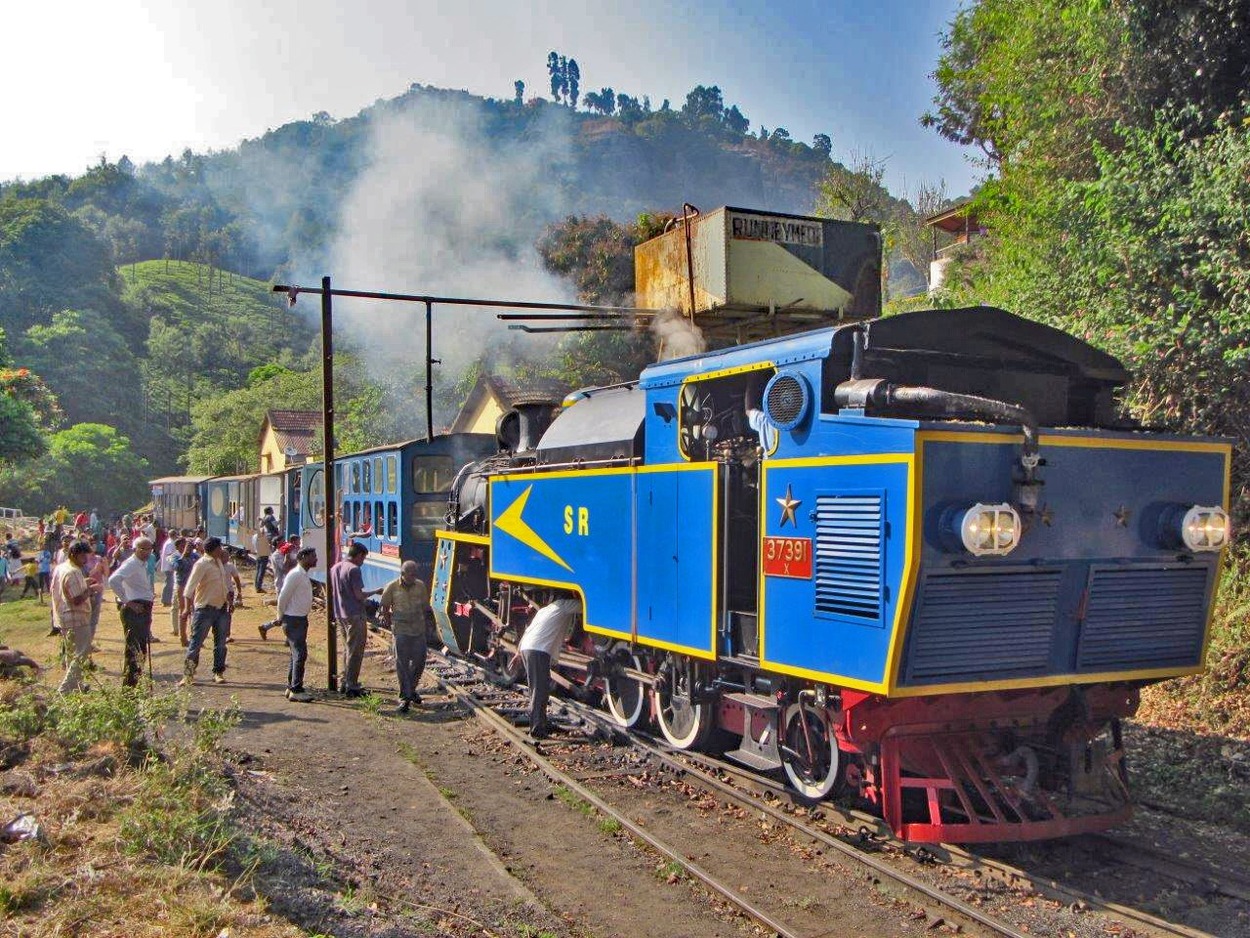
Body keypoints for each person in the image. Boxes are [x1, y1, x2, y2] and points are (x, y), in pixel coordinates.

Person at [515, 597, 580, 738]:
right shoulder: (563, 605)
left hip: (528, 648)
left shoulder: (544, 610)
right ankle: (537, 729)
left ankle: (541, 722)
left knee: (538, 688)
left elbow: (528, 630)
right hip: (537, 650)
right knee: (539, 690)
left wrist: (518, 651)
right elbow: (582, 605)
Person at [379, 560, 432, 713]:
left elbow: (425, 607)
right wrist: (390, 625)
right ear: (403, 574)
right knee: (402, 664)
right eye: (411, 574)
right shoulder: (392, 587)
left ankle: (411, 689)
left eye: (416, 574)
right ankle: (405, 697)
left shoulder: (420, 586)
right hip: (401, 630)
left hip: (418, 629)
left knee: (419, 661)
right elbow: (384, 607)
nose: (414, 577)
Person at [330, 541, 381, 696]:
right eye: (363, 559)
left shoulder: (335, 568)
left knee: (347, 648)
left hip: (340, 614)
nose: (363, 562)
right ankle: (352, 685)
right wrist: (375, 591)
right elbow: (359, 595)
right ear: (358, 555)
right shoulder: (354, 570)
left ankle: (344, 681)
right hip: (355, 614)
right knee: (356, 651)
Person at [181, 536, 231, 687]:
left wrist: (229, 601)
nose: (221, 550)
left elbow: (223, 585)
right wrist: (186, 608)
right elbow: (189, 589)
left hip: (221, 608)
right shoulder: (201, 564)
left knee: (221, 644)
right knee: (196, 644)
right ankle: (188, 675)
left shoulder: (218, 563)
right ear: (214, 549)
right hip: (205, 610)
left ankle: (218, 672)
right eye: (219, 548)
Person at [108, 537, 156, 687]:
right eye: (143, 549)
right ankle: (129, 690)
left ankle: (135, 686)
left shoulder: (142, 564)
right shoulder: (132, 563)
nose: (147, 552)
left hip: (143, 608)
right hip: (135, 610)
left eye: (149, 549)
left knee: (140, 650)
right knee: (134, 651)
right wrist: (128, 602)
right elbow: (113, 580)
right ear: (135, 549)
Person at [276, 546, 318, 702]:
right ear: (303, 557)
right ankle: (296, 689)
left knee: (295, 654)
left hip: (299, 619)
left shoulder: (302, 574)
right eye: (313, 556)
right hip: (293, 619)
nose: (316, 559)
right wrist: (280, 616)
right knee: (300, 654)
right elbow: (283, 597)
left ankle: (291, 686)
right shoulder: (295, 575)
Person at [53, 541, 94, 693]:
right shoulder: (73, 572)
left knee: (72, 653)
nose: (85, 558)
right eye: (82, 555)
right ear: (72, 554)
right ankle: (64, 689)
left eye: (86, 554)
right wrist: (89, 590)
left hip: (63, 616)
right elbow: (76, 600)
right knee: (82, 652)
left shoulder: (61, 567)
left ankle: (77, 686)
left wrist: (84, 583)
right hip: (76, 617)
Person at [170, 537, 197, 644]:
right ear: (177, 547)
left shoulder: (194, 555)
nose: (185, 548)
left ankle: (194, 636)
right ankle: (183, 637)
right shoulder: (174, 556)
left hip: (192, 585)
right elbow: (176, 567)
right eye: (182, 546)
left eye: (186, 545)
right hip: (181, 586)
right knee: (183, 610)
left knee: (194, 610)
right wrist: (184, 555)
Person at [158, 533, 178, 606]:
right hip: (169, 566)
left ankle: (166, 599)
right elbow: (170, 554)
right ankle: (166, 600)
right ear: (173, 535)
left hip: (168, 565)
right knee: (169, 583)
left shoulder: (169, 542)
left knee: (169, 583)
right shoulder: (170, 543)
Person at [253, 523, 272, 593]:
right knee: (261, 571)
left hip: (258, 554)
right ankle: (258, 587)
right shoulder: (260, 536)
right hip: (263, 555)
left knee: (258, 571)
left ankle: (256, 586)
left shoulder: (255, 537)